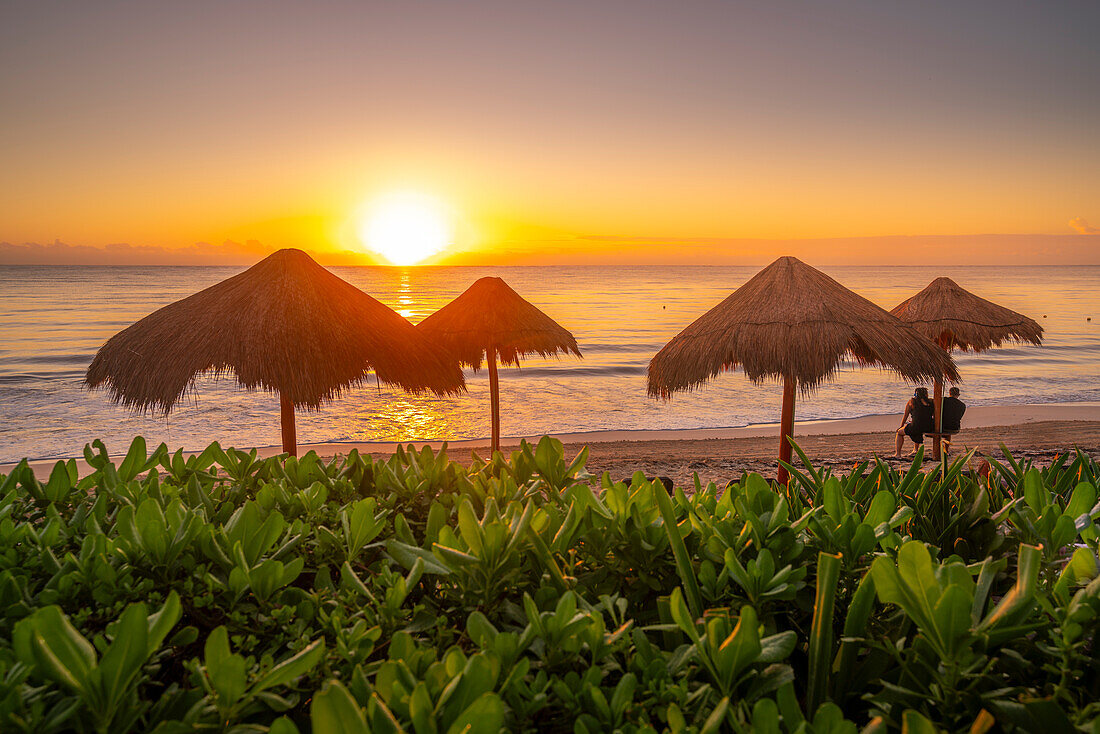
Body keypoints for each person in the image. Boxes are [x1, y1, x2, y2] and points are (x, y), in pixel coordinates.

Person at [895, 387, 934, 458]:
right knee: (916, 426)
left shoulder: (912, 402)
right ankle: (915, 449)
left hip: (917, 427)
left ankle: (898, 454)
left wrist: (901, 426)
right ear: (926, 394)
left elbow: (905, 415)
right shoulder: (931, 402)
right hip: (929, 427)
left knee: (899, 433)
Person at [939, 386, 966, 454]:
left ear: (949, 393)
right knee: (949, 428)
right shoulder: (962, 405)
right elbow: (959, 417)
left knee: (942, 427)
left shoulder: (943, 400)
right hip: (955, 427)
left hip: (942, 426)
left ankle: (940, 448)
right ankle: (946, 449)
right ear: (958, 395)